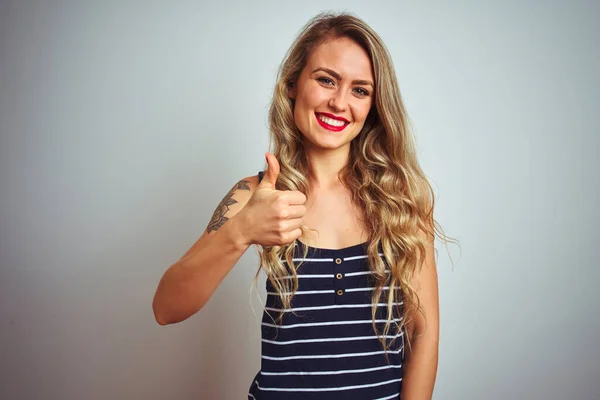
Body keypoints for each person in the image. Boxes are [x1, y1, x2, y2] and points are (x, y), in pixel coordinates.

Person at [153, 12, 444, 400]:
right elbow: (166, 307)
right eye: (326, 80)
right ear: (292, 85)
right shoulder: (256, 194)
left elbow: (423, 333)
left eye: (360, 90)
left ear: (375, 105)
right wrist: (240, 232)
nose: (340, 102)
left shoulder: (403, 199)